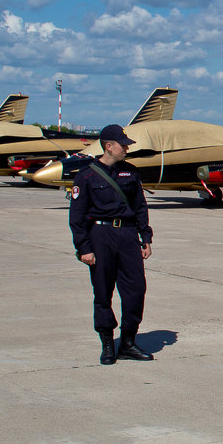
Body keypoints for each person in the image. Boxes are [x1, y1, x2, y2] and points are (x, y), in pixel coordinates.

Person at [69, 123, 154, 364]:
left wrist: (145, 237)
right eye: (123, 145)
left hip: (127, 236)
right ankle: (107, 343)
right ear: (109, 146)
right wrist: (84, 248)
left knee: (136, 290)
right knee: (103, 292)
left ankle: (128, 342)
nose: (126, 149)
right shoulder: (85, 175)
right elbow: (77, 216)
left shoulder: (131, 172)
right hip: (100, 236)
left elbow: (140, 207)